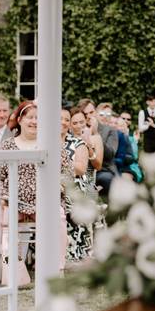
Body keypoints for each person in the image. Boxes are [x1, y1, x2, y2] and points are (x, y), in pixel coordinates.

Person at [0, 101, 67, 289]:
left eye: (39, 118)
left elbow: (66, 173)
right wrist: (2, 197)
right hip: (11, 202)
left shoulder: (52, 144)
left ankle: (58, 271)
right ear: (20, 120)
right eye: (30, 117)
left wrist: (58, 189)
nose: (34, 122)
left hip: (44, 202)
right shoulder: (8, 145)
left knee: (58, 216)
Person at [61, 108, 95, 262]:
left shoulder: (77, 143)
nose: (62, 122)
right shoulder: (42, 141)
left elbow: (80, 169)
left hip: (74, 184)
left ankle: (75, 251)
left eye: (66, 119)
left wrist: (58, 165)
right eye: (59, 118)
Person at [77, 99, 120, 196]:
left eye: (91, 112)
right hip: (82, 168)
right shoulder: (78, 127)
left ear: (96, 112)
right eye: (85, 113)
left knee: (107, 179)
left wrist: (96, 134)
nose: (88, 116)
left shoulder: (109, 130)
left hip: (104, 169)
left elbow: (111, 154)